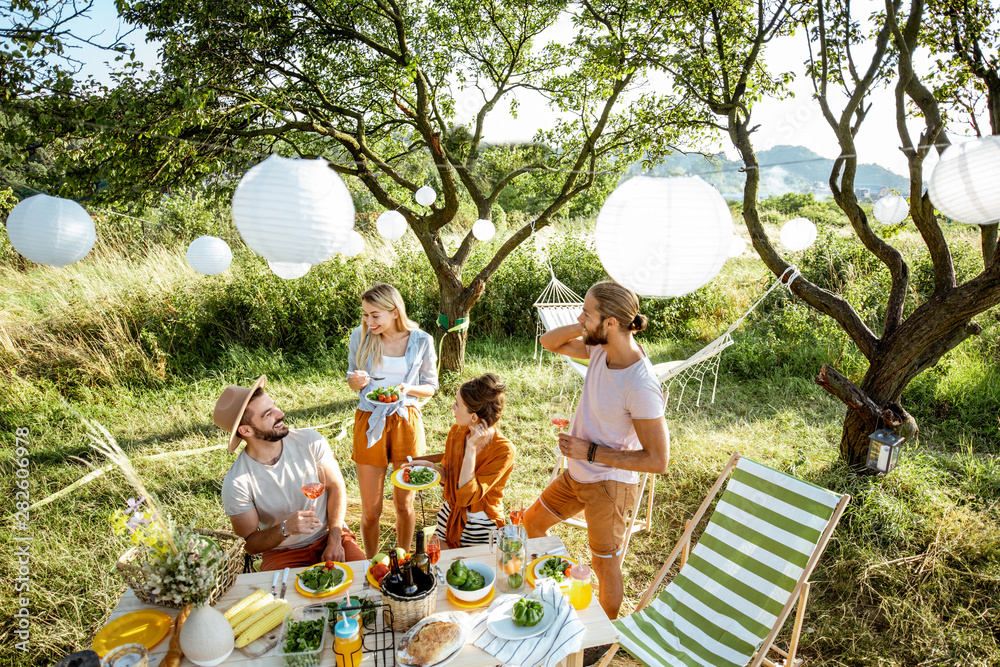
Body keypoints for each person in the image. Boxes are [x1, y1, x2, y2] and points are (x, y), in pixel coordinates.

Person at [524, 280, 670, 622]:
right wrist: (586, 323)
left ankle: (600, 639)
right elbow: (548, 342)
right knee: (532, 524)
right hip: (578, 474)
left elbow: (657, 460)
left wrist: (590, 451)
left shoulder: (640, 384)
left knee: (605, 566)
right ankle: (565, 587)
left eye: (587, 313)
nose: (580, 317)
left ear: (611, 323)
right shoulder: (600, 349)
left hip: (609, 485)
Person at [215, 375, 365, 571]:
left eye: (274, 406)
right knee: (280, 601)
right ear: (246, 430)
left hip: (330, 535)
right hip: (282, 552)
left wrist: (335, 539)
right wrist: (285, 529)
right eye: (268, 414)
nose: (280, 413)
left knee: (364, 587)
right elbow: (250, 544)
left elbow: (336, 487)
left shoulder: (311, 441)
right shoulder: (237, 482)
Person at [347, 283, 438, 558]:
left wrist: (406, 390)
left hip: (405, 420)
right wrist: (356, 381)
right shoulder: (359, 337)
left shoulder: (421, 340)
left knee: (403, 504)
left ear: (395, 312)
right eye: (365, 315)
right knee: (371, 510)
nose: (368, 321)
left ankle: (402, 557)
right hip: (369, 419)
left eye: (375, 315)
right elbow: (353, 381)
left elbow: (431, 386)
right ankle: (370, 562)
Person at [412, 374, 515, 548]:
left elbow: (466, 497)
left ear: (474, 418)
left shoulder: (504, 450)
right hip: (450, 513)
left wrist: (471, 448)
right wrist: (432, 470)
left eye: (457, 404)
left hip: (481, 524)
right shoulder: (456, 431)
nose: (452, 407)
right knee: (432, 566)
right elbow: (451, 478)